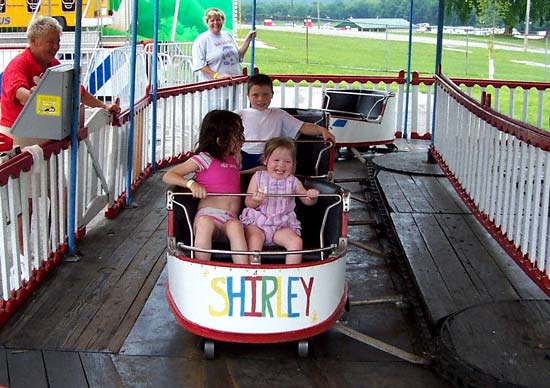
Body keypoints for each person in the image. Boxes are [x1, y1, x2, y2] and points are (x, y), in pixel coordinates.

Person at [0, 16, 120, 148]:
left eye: (58, 41)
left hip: (43, 135)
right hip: (19, 136)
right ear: (33, 41)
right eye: (51, 42)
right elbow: (19, 92)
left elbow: (77, 90)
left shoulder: (53, 64)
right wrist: (33, 96)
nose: (56, 47)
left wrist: (104, 107)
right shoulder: (18, 64)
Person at [162, 110, 249, 264]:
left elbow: (229, 177)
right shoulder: (204, 159)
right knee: (204, 223)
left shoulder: (235, 159)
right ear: (220, 139)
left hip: (230, 218)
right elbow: (169, 175)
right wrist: (191, 184)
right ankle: (202, 267)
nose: (241, 140)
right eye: (236, 135)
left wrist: (259, 171)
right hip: (209, 215)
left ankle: (244, 269)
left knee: (236, 226)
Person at [240, 137, 319, 265]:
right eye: (276, 160)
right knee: (254, 239)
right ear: (266, 160)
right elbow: (248, 202)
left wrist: (311, 196)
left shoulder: (293, 181)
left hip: (282, 224)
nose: (281, 165)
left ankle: (292, 274)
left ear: (293, 163)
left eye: (287, 161)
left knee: (296, 242)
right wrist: (256, 200)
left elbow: (307, 200)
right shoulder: (258, 176)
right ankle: (254, 272)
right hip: (258, 222)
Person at [237, 73, 336, 171]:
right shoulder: (239, 114)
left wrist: (322, 130)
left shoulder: (279, 114)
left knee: (281, 159)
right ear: (248, 95)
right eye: (255, 95)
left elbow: (302, 126)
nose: (260, 99)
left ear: (272, 95)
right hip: (243, 154)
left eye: (265, 94)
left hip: (270, 156)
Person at [192, 7, 256, 82]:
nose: (216, 22)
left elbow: (238, 56)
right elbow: (200, 65)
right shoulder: (201, 40)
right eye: (212, 20)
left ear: (222, 21)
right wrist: (217, 75)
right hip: (215, 87)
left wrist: (248, 39)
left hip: (233, 82)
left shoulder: (227, 35)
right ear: (207, 22)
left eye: (218, 20)